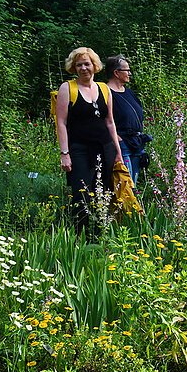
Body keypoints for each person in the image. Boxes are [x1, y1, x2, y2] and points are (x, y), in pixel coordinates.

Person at [54, 47, 124, 237]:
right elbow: (61, 122)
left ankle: (101, 234)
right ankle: (80, 238)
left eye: (87, 64)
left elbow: (110, 122)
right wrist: (64, 153)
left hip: (105, 148)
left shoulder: (104, 88)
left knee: (104, 192)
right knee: (81, 194)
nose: (83, 68)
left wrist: (118, 152)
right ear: (73, 68)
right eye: (79, 65)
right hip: (80, 150)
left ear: (94, 65)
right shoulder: (67, 88)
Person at [105, 55, 148, 183]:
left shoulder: (129, 92)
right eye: (127, 70)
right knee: (125, 182)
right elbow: (104, 118)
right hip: (122, 144)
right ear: (116, 73)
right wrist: (117, 138)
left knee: (133, 181)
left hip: (136, 142)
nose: (129, 73)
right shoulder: (106, 92)